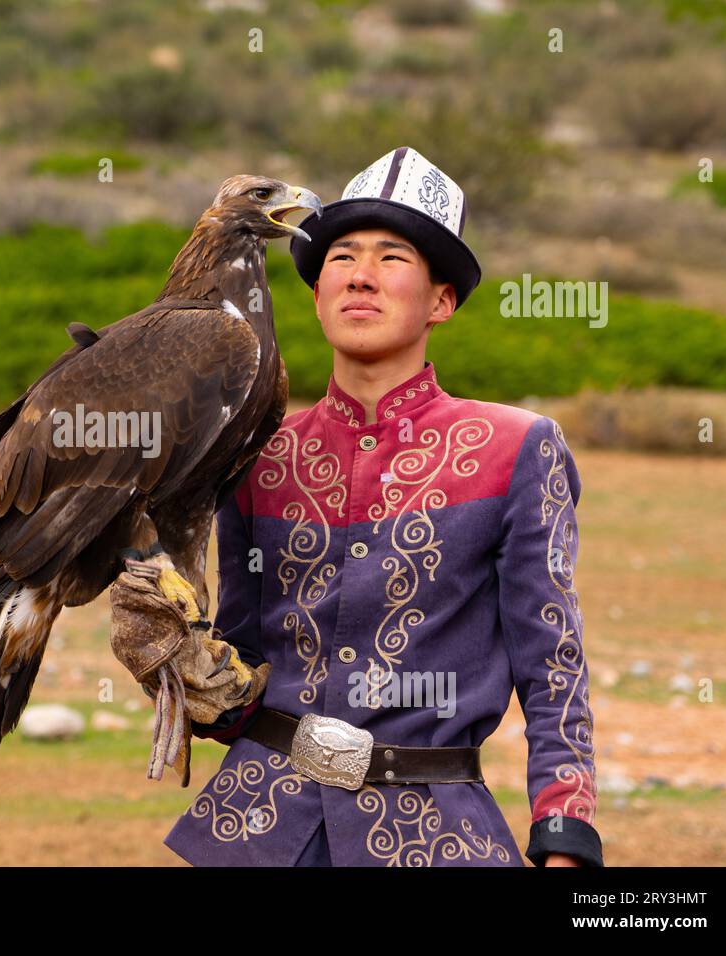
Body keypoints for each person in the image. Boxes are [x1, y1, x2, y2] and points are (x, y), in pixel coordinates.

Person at [147, 146, 602, 866]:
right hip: (258, 832)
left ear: (441, 301)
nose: (361, 275)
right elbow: (240, 670)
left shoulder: (516, 449)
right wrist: (178, 664)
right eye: (340, 258)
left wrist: (564, 834)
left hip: (437, 836)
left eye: (393, 258)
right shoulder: (255, 452)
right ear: (318, 291)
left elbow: (554, 666)